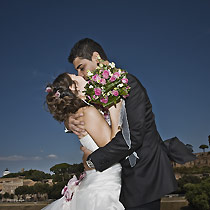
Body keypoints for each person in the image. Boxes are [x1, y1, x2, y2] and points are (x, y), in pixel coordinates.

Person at [66, 38, 179, 210]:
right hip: (121, 179)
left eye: (82, 67)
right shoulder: (96, 92)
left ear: (96, 57)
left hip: (144, 174)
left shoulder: (129, 84)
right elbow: (83, 112)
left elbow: (133, 137)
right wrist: (69, 121)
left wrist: (92, 162)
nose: (81, 74)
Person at [43, 72, 125, 210]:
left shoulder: (78, 114)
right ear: (73, 88)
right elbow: (113, 147)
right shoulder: (87, 112)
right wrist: (115, 112)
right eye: (75, 77)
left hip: (98, 177)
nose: (81, 76)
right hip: (107, 182)